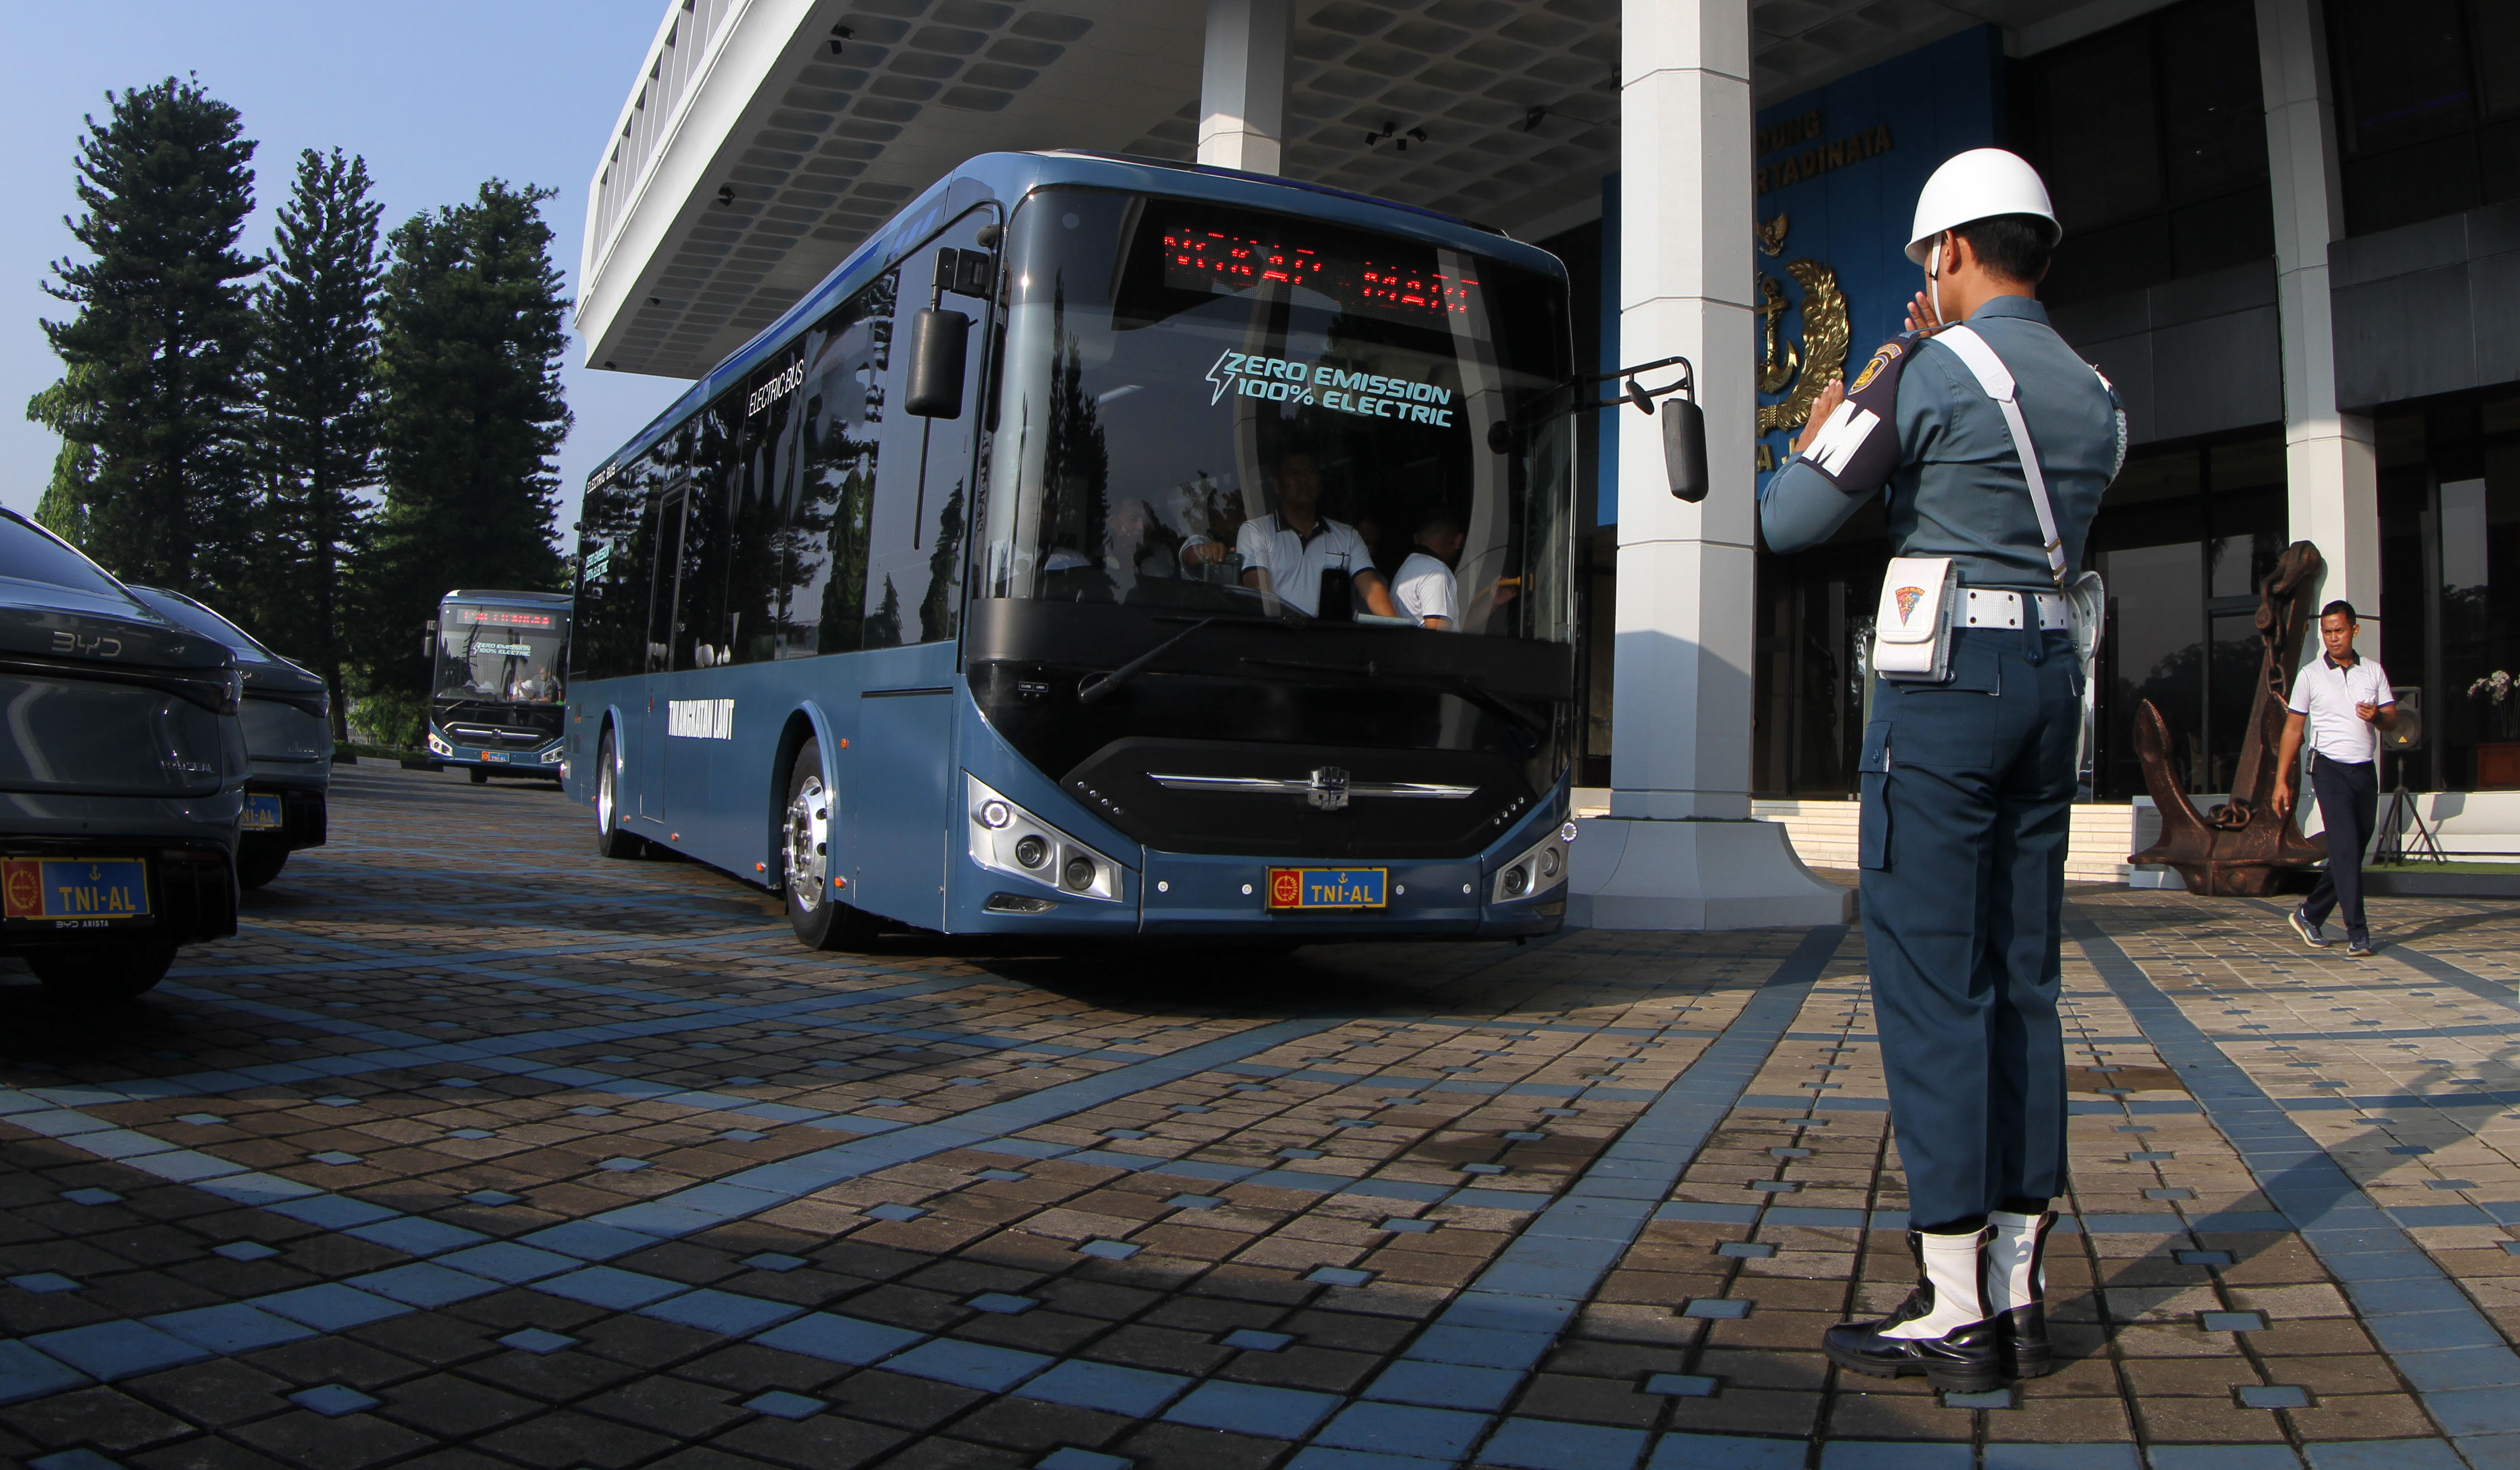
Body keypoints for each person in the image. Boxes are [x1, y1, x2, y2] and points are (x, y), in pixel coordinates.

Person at [1759, 149, 2126, 1393]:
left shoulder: (1921, 369)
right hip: (2048, 686)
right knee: (2022, 976)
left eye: (1928, 256)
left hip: (1947, 687)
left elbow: (1789, 517)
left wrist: (1861, 385)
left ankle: (1956, 1308)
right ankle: (2020, 1282)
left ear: (1952, 249)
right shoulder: (2093, 387)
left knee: (1931, 984)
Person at [2273, 601, 2395, 958]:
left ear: (2354, 630)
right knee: (2343, 848)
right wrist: (2281, 780)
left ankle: (2310, 913)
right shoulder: (2310, 675)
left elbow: (2392, 721)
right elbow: (2293, 730)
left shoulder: (2373, 671)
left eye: (2339, 630)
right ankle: (2358, 933)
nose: (2333, 638)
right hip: (2328, 769)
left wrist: (2377, 716)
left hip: (2364, 771)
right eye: (2327, 632)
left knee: (2353, 848)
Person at [1182, 451, 1399, 619]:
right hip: (1280, 644)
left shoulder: (1348, 536)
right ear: (1278, 485)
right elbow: (1259, 594)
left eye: (1310, 472)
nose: (1303, 479)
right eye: (1294, 473)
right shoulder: (1256, 531)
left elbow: (1372, 589)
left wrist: (1398, 633)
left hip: (1333, 646)